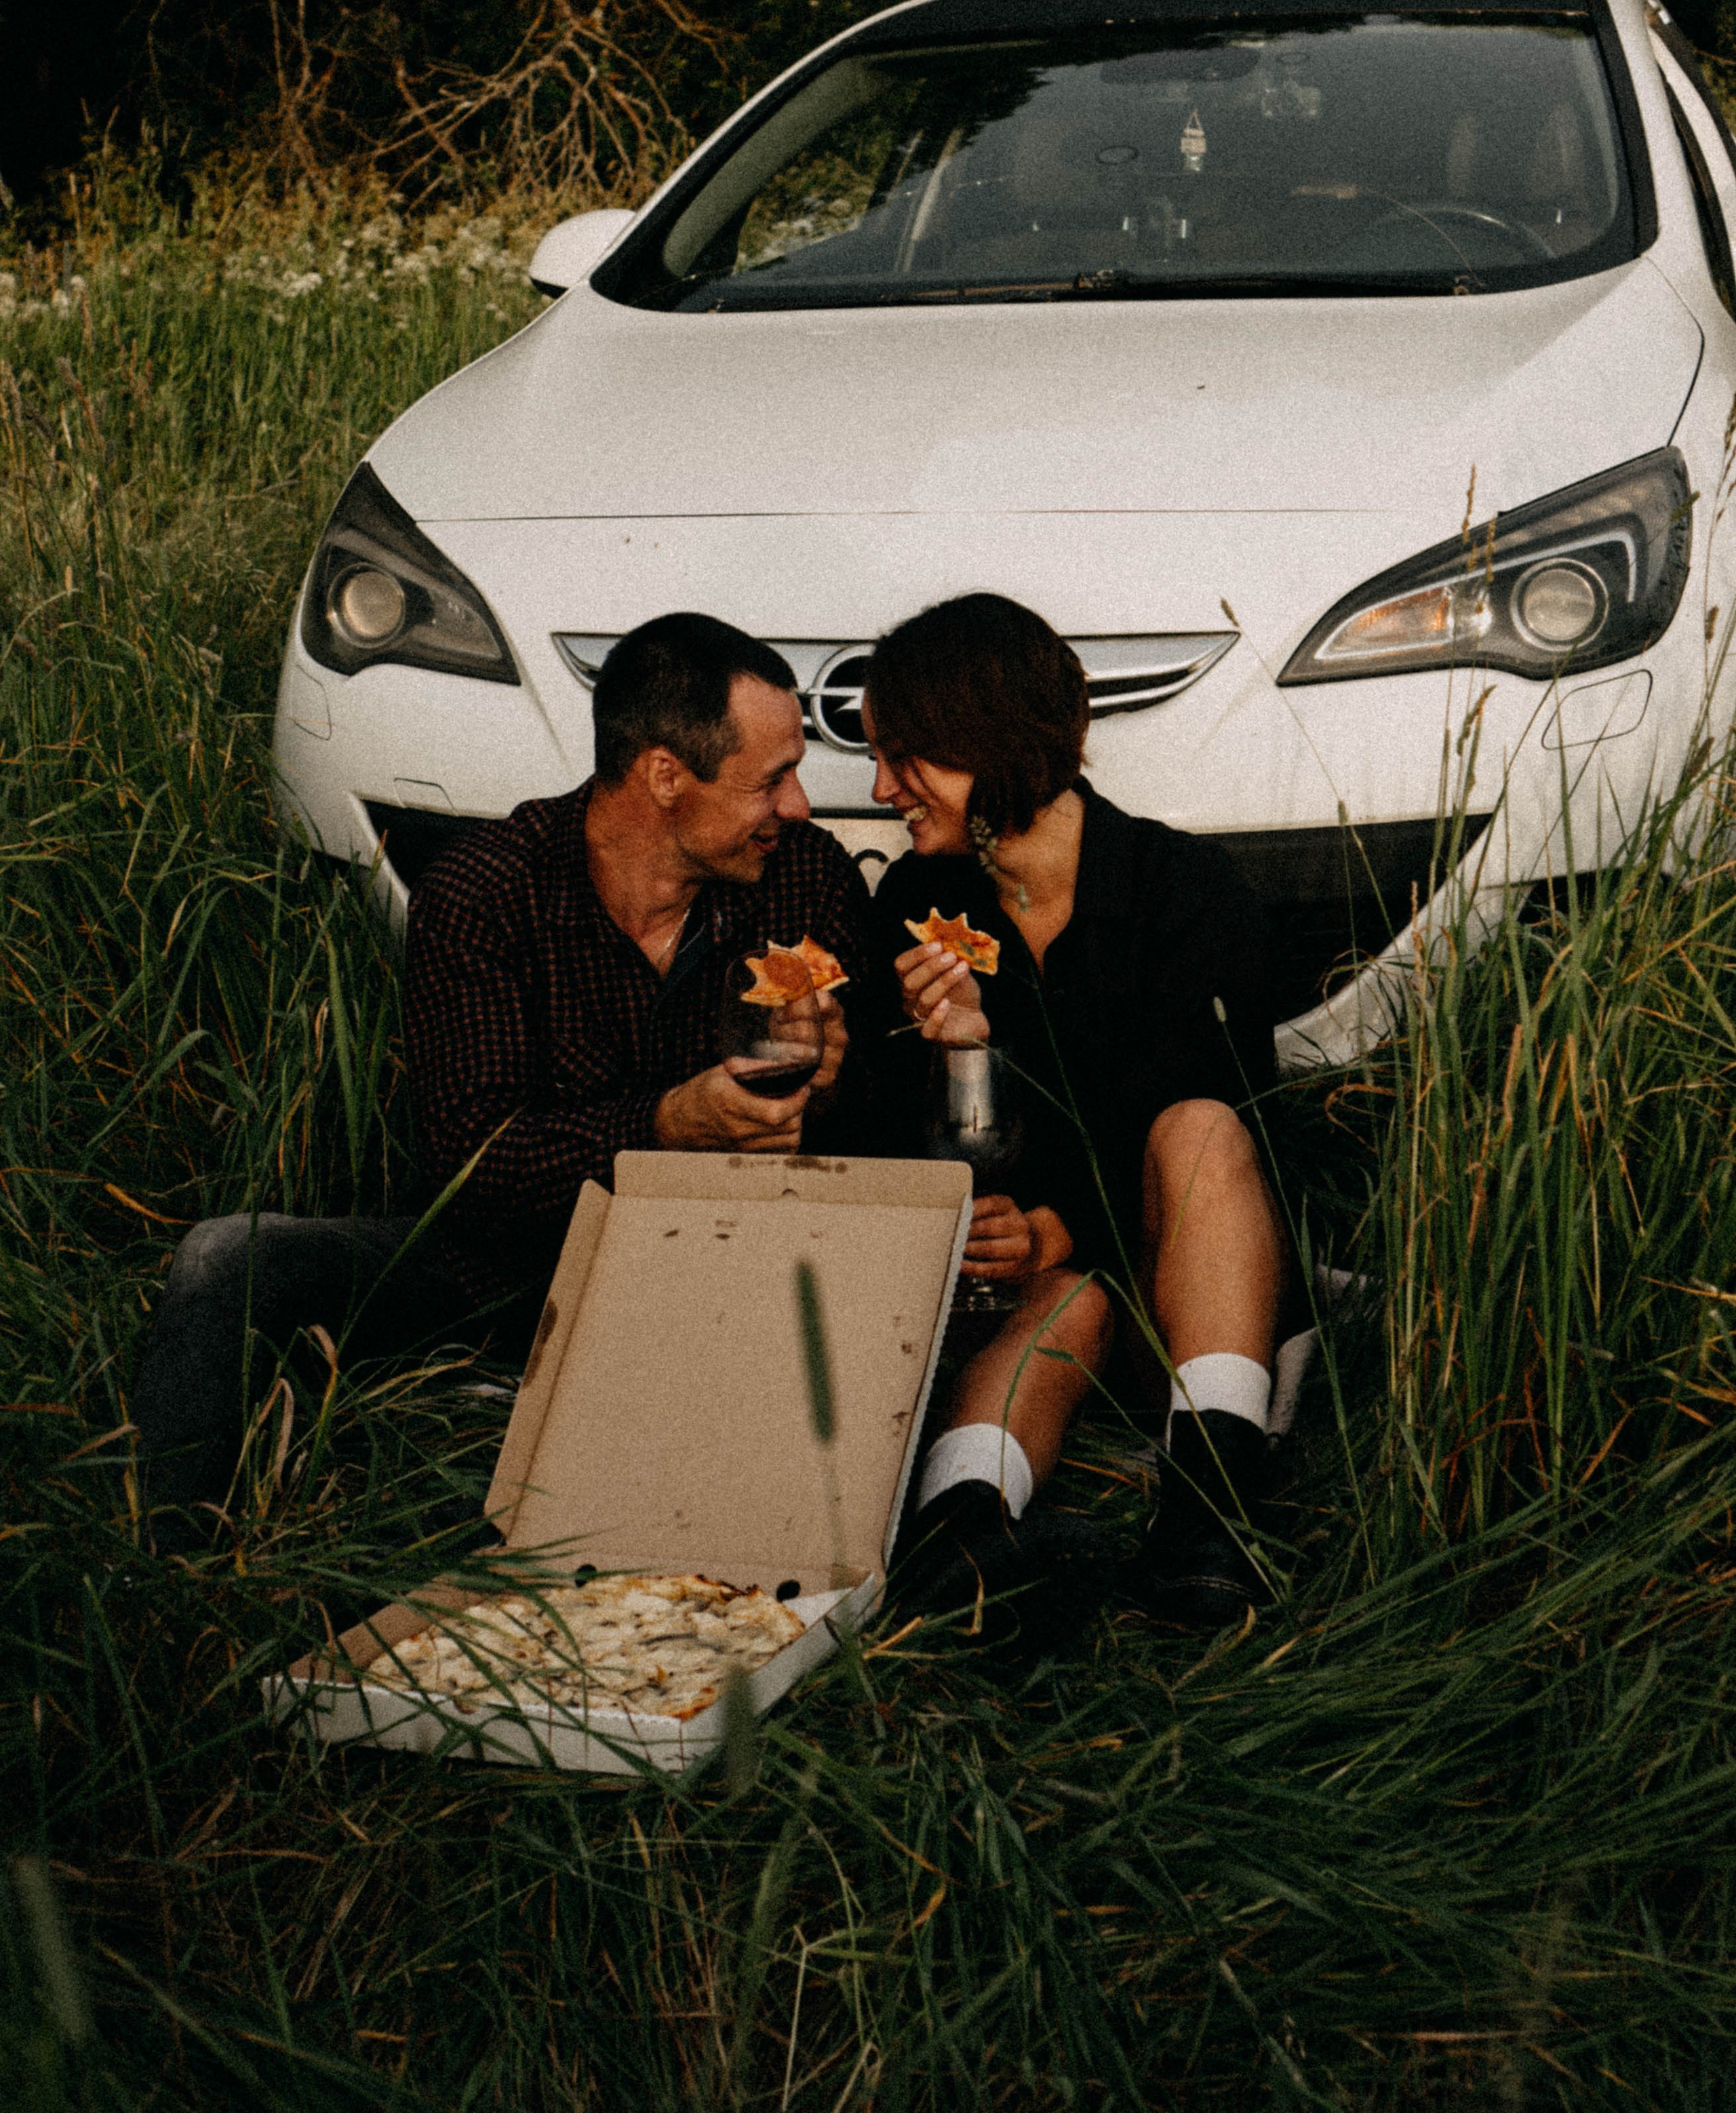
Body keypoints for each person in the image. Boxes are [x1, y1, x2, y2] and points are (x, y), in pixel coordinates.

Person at [133, 612, 871, 1536]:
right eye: (773, 780)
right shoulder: (488, 891)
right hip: (499, 1268)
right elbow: (471, 1163)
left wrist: (833, 1075)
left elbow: (849, 1124)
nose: (799, 806)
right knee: (228, 1258)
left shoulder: (804, 878)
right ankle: (171, 1571)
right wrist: (666, 1124)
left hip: (713, 1272)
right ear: (666, 776)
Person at [863, 593, 1291, 1630]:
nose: (882, 791)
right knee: (1065, 1295)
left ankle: (1211, 1522)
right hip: (1050, 1302)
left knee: (1196, 1126)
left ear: (990, 746)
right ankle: (960, 1539)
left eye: (903, 758)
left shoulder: (1184, 889)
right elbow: (898, 1142)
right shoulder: (922, 910)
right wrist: (960, 1061)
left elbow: (1230, 1115)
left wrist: (1064, 1217)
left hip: (1203, 1280)